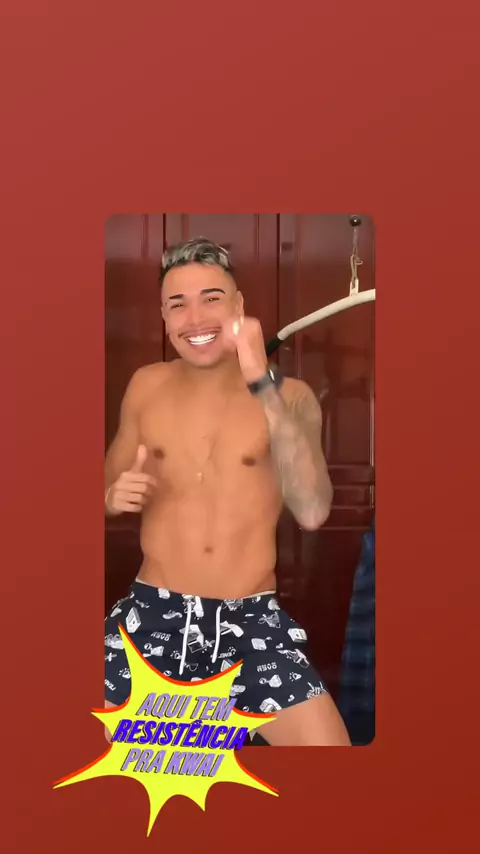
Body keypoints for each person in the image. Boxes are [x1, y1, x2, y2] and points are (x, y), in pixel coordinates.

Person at [104, 237, 351, 746]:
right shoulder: (145, 385)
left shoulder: (292, 397)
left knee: (331, 760)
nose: (194, 318)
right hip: (152, 616)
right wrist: (111, 496)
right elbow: (102, 489)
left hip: (251, 621)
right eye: (178, 304)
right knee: (99, 773)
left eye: (211, 298)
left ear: (239, 307)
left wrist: (260, 379)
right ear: (163, 317)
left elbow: (312, 510)